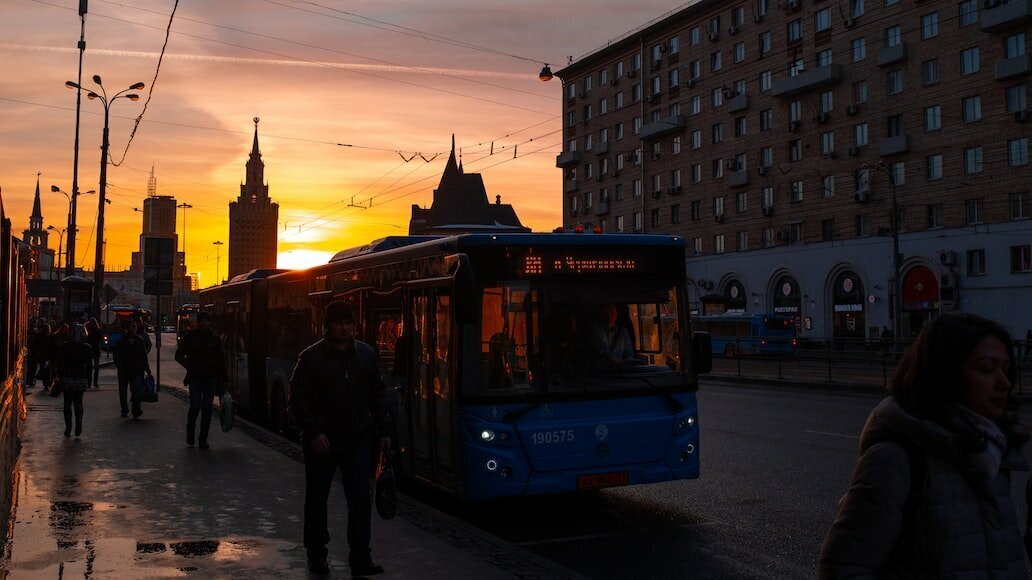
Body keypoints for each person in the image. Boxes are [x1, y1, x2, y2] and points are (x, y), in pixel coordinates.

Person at [819, 313, 1028, 578]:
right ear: (945, 373)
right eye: (987, 369)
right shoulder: (895, 459)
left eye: (1006, 369)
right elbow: (843, 568)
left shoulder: (991, 451)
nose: (1005, 383)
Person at [288, 301, 391, 577]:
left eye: (348, 323)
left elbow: (377, 395)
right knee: (317, 500)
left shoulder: (366, 356)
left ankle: (361, 557)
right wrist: (314, 433)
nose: (344, 328)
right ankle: (317, 556)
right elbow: (297, 400)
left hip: (357, 439)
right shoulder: (311, 358)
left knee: (360, 500)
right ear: (327, 326)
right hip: (322, 443)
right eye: (338, 323)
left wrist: (384, 431)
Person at [174, 311, 227, 449]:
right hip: (195, 377)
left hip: (211, 377)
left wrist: (224, 377)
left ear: (210, 322)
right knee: (195, 405)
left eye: (207, 320)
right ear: (198, 322)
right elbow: (178, 355)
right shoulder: (190, 337)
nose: (204, 323)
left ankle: (203, 438)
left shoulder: (215, 338)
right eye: (202, 320)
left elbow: (221, 359)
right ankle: (190, 429)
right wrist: (190, 367)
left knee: (208, 409)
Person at [57, 324, 92, 437]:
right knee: (78, 402)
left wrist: (59, 374)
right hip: (80, 377)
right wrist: (89, 379)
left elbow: (59, 362)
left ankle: (68, 427)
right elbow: (89, 365)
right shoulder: (87, 347)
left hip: (67, 376)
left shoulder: (65, 346)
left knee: (67, 403)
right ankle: (79, 423)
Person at [113, 320, 151, 419]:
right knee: (123, 391)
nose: (131, 329)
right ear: (126, 329)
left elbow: (143, 357)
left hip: (137, 370)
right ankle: (124, 410)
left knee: (136, 392)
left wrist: (147, 369)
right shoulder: (121, 342)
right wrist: (120, 367)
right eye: (129, 327)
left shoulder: (140, 341)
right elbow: (116, 356)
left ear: (135, 329)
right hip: (124, 371)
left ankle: (136, 411)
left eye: (133, 327)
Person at [589, 303, 636, 369]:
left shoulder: (623, 332)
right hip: (598, 374)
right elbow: (601, 348)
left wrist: (626, 364)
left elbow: (630, 355)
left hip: (619, 374)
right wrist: (617, 362)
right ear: (600, 315)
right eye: (605, 314)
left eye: (612, 313)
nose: (609, 317)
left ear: (616, 315)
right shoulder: (594, 329)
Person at [85, 318, 102, 389]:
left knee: (96, 367)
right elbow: (86, 339)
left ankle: (95, 383)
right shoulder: (88, 330)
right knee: (89, 368)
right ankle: (89, 383)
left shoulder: (98, 330)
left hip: (96, 351)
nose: (94, 324)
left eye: (94, 323)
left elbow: (100, 339)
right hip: (90, 351)